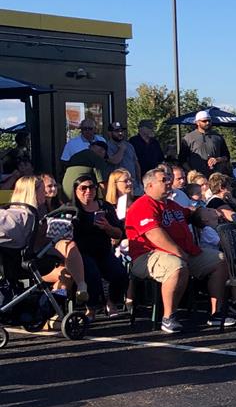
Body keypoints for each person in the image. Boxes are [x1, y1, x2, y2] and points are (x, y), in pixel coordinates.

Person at [124, 167, 236, 333]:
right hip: (147, 256)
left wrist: (204, 212)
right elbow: (155, 235)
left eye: (169, 179)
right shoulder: (142, 205)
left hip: (183, 252)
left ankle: (216, 313)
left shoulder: (171, 205)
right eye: (163, 180)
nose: (169, 182)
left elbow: (189, 213)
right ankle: (168, 317)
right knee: (176, 266)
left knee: (220, 260)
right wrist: (179, 253)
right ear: (149, 186)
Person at [3, 176, 90, 304]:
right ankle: (54, 302)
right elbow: (36, 243)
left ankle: (53, 304)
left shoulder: (11, 214)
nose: (44, 193)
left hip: (10, 262)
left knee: (66, 271)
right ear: (33, 192)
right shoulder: (28, 216)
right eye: (42, 190)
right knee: (67, 266)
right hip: (26, 264)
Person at [67, 173, 128, 317]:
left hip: (103, 251)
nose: (88, 191)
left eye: (92, 187)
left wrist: (107, 227)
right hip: (81, 253)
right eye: (83, 188)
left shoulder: (105, 207)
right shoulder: (71, 209)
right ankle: (92, 307)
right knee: (91, 273)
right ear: (76, 191)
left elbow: (119, 234)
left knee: (120, 273)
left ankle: (112, 302)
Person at [180, 110, 231, 176]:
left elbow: (227, 156)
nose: (207, 123)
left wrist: (217, 159)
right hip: (197, 178)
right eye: (204, 121)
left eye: (209, 121)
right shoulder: (188, 138)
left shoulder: (218, 137)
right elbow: (182, 160)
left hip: (215, 176)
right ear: (197, 122)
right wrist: (192, 173)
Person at [105, 121, 141, 193]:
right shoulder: (106, 146)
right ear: (109, 133)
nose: (120, 133)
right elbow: (115, 161)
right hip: (118, 186)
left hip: (133, 184)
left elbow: (136, 164)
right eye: (117, 131)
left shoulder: (129, 145)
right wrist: (121, 149)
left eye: (122, 131)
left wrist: (139, 182)